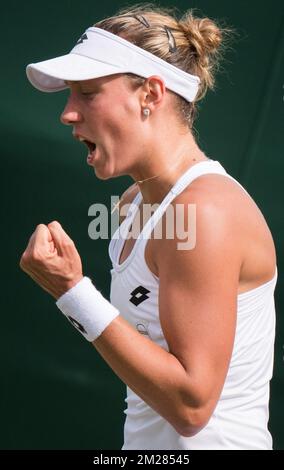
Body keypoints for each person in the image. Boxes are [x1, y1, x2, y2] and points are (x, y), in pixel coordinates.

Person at [20, 4, 278, 450]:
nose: (67, 113)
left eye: (86, 92)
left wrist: (72, 292)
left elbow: (191, 408)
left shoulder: (205, 211)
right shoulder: (134, 204)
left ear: (151, 95)